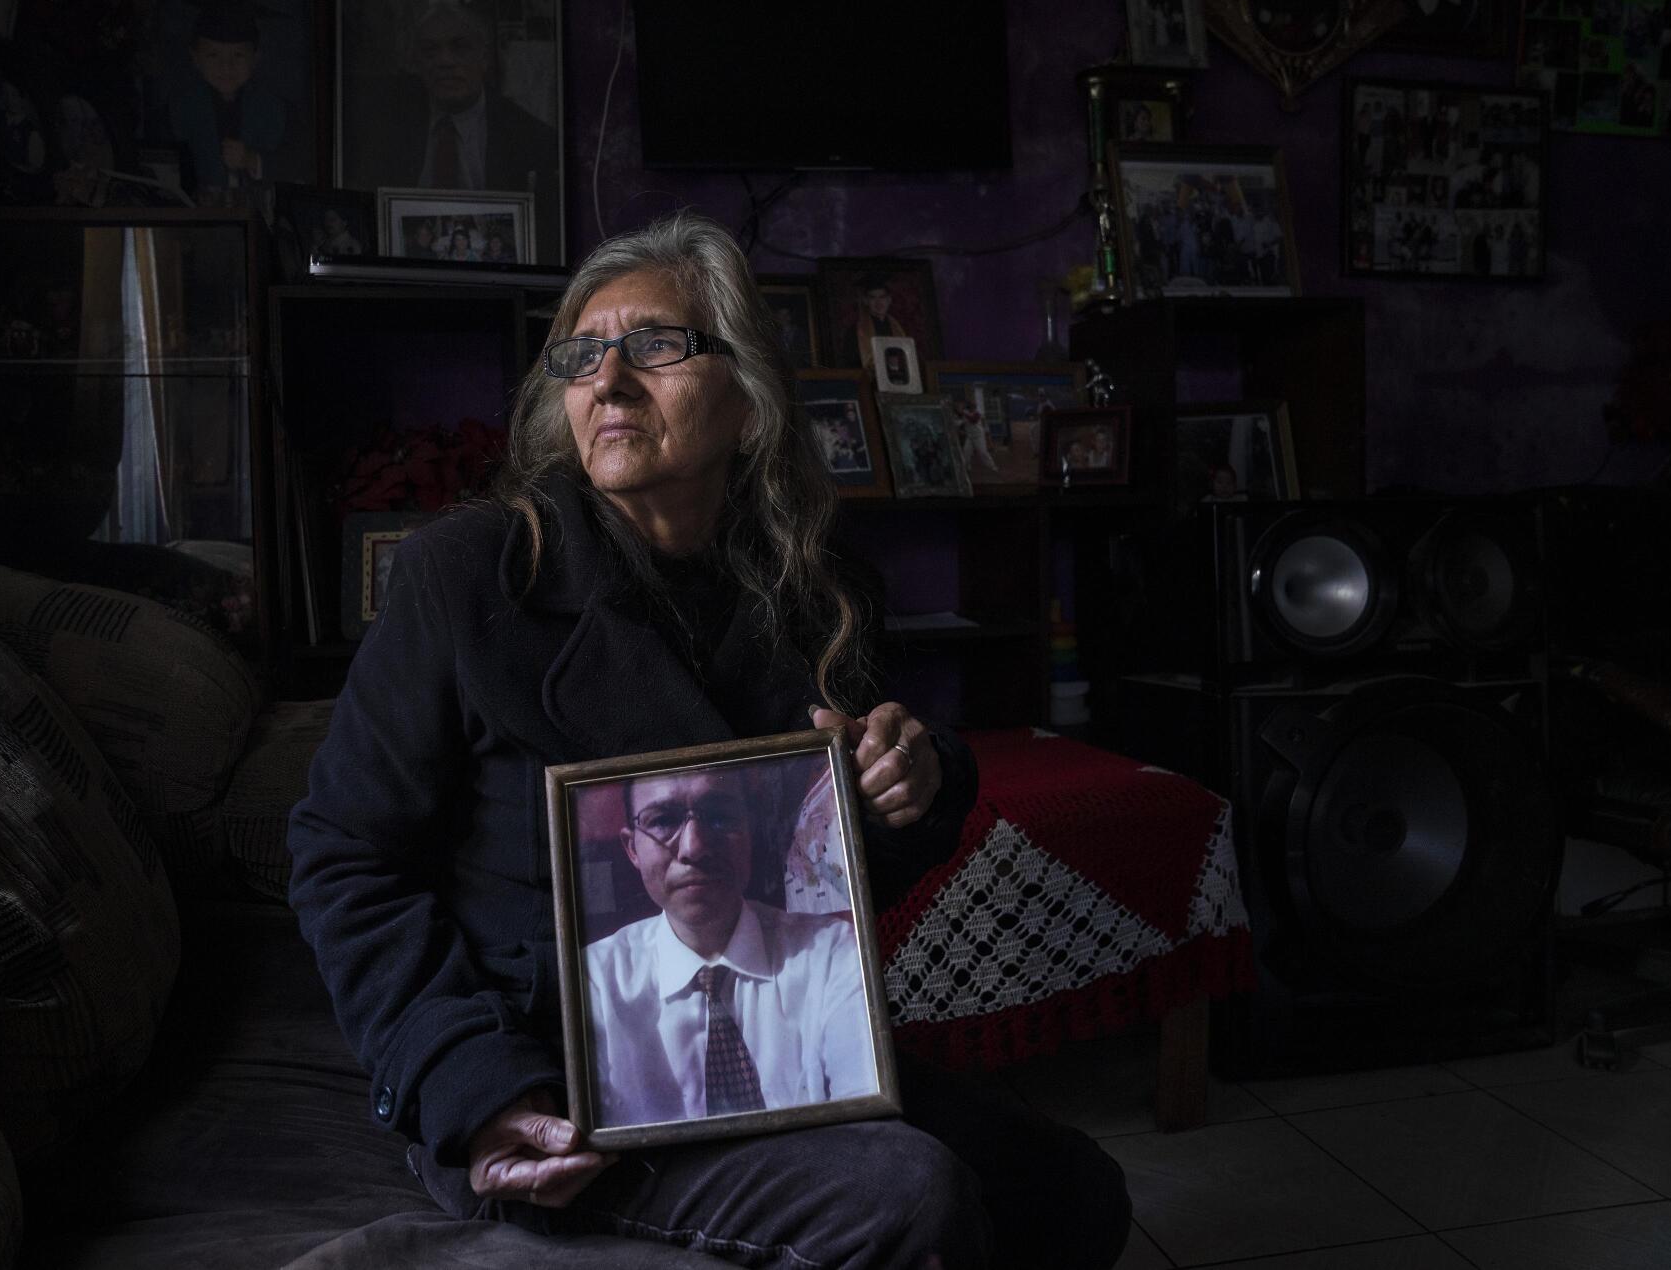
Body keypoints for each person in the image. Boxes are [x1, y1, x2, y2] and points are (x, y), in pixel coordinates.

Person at [287, 211, 1131, 1269]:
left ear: (746, 396)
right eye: (581, 356)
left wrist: (909, 779)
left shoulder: (819, 591)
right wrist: (469, 1081)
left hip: (773, 1042)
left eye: (653, 345)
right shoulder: (469, 577)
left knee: (1075, 1195)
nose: (608, 381)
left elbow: (833, 879)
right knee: (909, 1196)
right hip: (552, 1073)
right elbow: (343, 855)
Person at [580, 766, 878, 1129]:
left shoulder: (832, 953)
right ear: (632, 849)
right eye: (662, 820)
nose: (694, 847)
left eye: (719, 815)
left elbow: (869, 1131)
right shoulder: (593, 980)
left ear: (749, 832)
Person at [344, 0, 560, 258]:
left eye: (460, 47)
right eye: (431, 50)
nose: (445, 61)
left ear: (485, 57)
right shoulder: (385, 130)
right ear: (417, 62)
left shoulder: (530, 136)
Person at [166, 0, 288, 195]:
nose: (226, 67)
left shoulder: (275, 109)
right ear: (195, 58)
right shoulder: (179, 110)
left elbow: (295, 165)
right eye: (213, 55)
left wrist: (252, 159)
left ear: (256, 57)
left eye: (238, 55)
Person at [851, 274, 909, 369]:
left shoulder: (899, 328)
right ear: (866, 301)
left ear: (889, 300)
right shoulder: (856, 331)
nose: (878, 302)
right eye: (872, 298)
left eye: (882, 297)